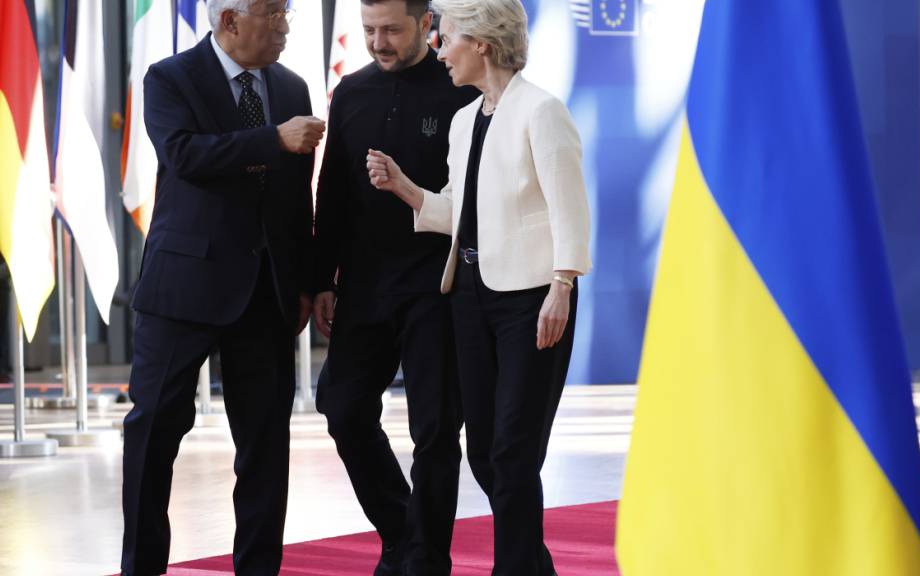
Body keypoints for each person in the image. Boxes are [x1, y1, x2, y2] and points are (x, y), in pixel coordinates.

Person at [367, 0, 592, 573]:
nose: (438, 49)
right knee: (487, 454)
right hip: (469, 297)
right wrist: (406, 189)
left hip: (533, 300)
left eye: (447, 38)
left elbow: (571, 212)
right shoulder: (466, 119)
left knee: (513, 454)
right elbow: (464, 212)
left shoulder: (542, 112)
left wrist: (562, 286)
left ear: (483, 44)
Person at [121, 0, 325, 573]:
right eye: (273, 13)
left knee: (264, 448)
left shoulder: (292, 85)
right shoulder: (170, 77)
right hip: (183, 286)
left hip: (267, 293)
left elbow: (296, 196)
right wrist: (272, 140)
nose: (286, 23)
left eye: (287, 11)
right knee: (153, 433)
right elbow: (183, 155)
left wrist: (308, 281)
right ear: (229, 21)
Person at [310, 1, 477, 574]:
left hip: (437, 285)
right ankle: (403, 533)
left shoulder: (460, 90)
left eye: (392, 30)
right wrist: (321, 279)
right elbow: (332, 191)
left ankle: (425, 559)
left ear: (427, 25)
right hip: (362, 283)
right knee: (342, 406)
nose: (378, 42)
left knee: (434, 429)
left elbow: (470, 200)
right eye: (369, 30)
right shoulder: (351, 92)